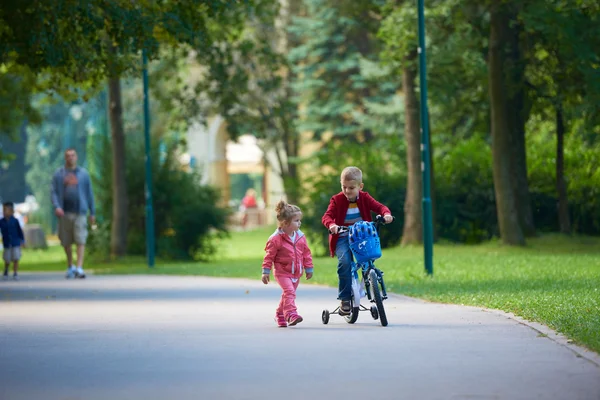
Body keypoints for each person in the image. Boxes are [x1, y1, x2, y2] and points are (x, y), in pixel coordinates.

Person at [322, 166, 393, 316]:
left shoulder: (365, 197)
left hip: (362, 236)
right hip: (343, 237)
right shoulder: (337, 200)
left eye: (351, 188)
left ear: (360, 186)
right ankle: (345, 299)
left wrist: (386, 215)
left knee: (368, 260)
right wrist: (332, 225)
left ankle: (371, 282)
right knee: (345, 262)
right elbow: (326, 216)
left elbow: (380, 207)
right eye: (344, 187)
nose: (347, 191)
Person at [261, 200, 314, 327]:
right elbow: (269, 256)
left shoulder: (300, 236)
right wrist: (266, 271)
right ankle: (291, 314)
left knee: (287, 294)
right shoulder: (275, 239)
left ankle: (280, 315)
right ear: (285, 223)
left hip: (296, 272)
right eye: (296, 221)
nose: (299, 223)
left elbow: (306, 253)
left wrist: (309, 268)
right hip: (282, 272)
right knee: (289, 292)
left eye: (299, 220)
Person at [51, 148, 96, 279]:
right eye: (68, 156)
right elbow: (53, 192)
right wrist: (57, 206)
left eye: (73, 155)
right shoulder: (59, 174)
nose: (70, 158)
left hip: (80, 212)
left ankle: (80, 268)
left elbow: (89, 194)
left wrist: (92, 212)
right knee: (66, 242)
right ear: (65, 158)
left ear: (76, 157)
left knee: (80, 239)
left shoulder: (83, 174)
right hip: (64, 212)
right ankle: (70, 266)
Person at [0, 202, 25, 281]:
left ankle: (15, 272)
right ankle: (6, 270)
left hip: (15, 242)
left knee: (16, 258)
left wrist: (22, 240)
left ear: (11, 211)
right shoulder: (1, 221)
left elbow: (19, 231)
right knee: (7, 259)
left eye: (6, 210)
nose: (4, 212)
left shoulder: (15, 221)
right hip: (7, 243)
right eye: (3, 210)